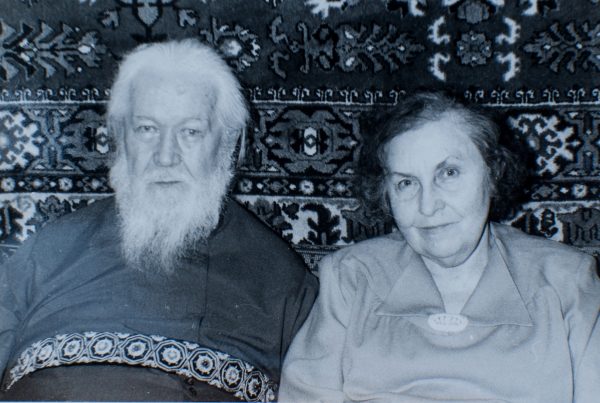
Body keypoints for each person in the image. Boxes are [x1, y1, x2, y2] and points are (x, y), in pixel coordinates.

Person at [0, 39, 318, 402]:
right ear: (120, 137)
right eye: (147, 129)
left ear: (228, 144)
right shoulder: (53, 245)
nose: (166, 156)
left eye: (190, 132)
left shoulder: (280, 277)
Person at [279, 91, 600, 402]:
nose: (428, 205)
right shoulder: (351, 278)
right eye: (406, 183)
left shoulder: (566, 282)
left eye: (449, 173)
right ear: (386, 194)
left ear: (492, 174)